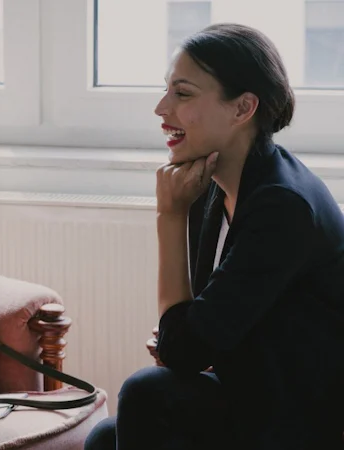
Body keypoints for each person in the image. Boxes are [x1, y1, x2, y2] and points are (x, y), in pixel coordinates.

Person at [85, 23, 344, 450]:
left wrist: (169, 216)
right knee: (103, 439)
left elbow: (183, 350)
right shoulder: (214, 182)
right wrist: (184, 337)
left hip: (290, 414)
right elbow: (191, 334)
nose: (161, 109)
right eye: (167, 91)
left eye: (182, 94)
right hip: (246, 388)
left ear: (243, 108)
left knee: (147, 393)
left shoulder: (283, 205)